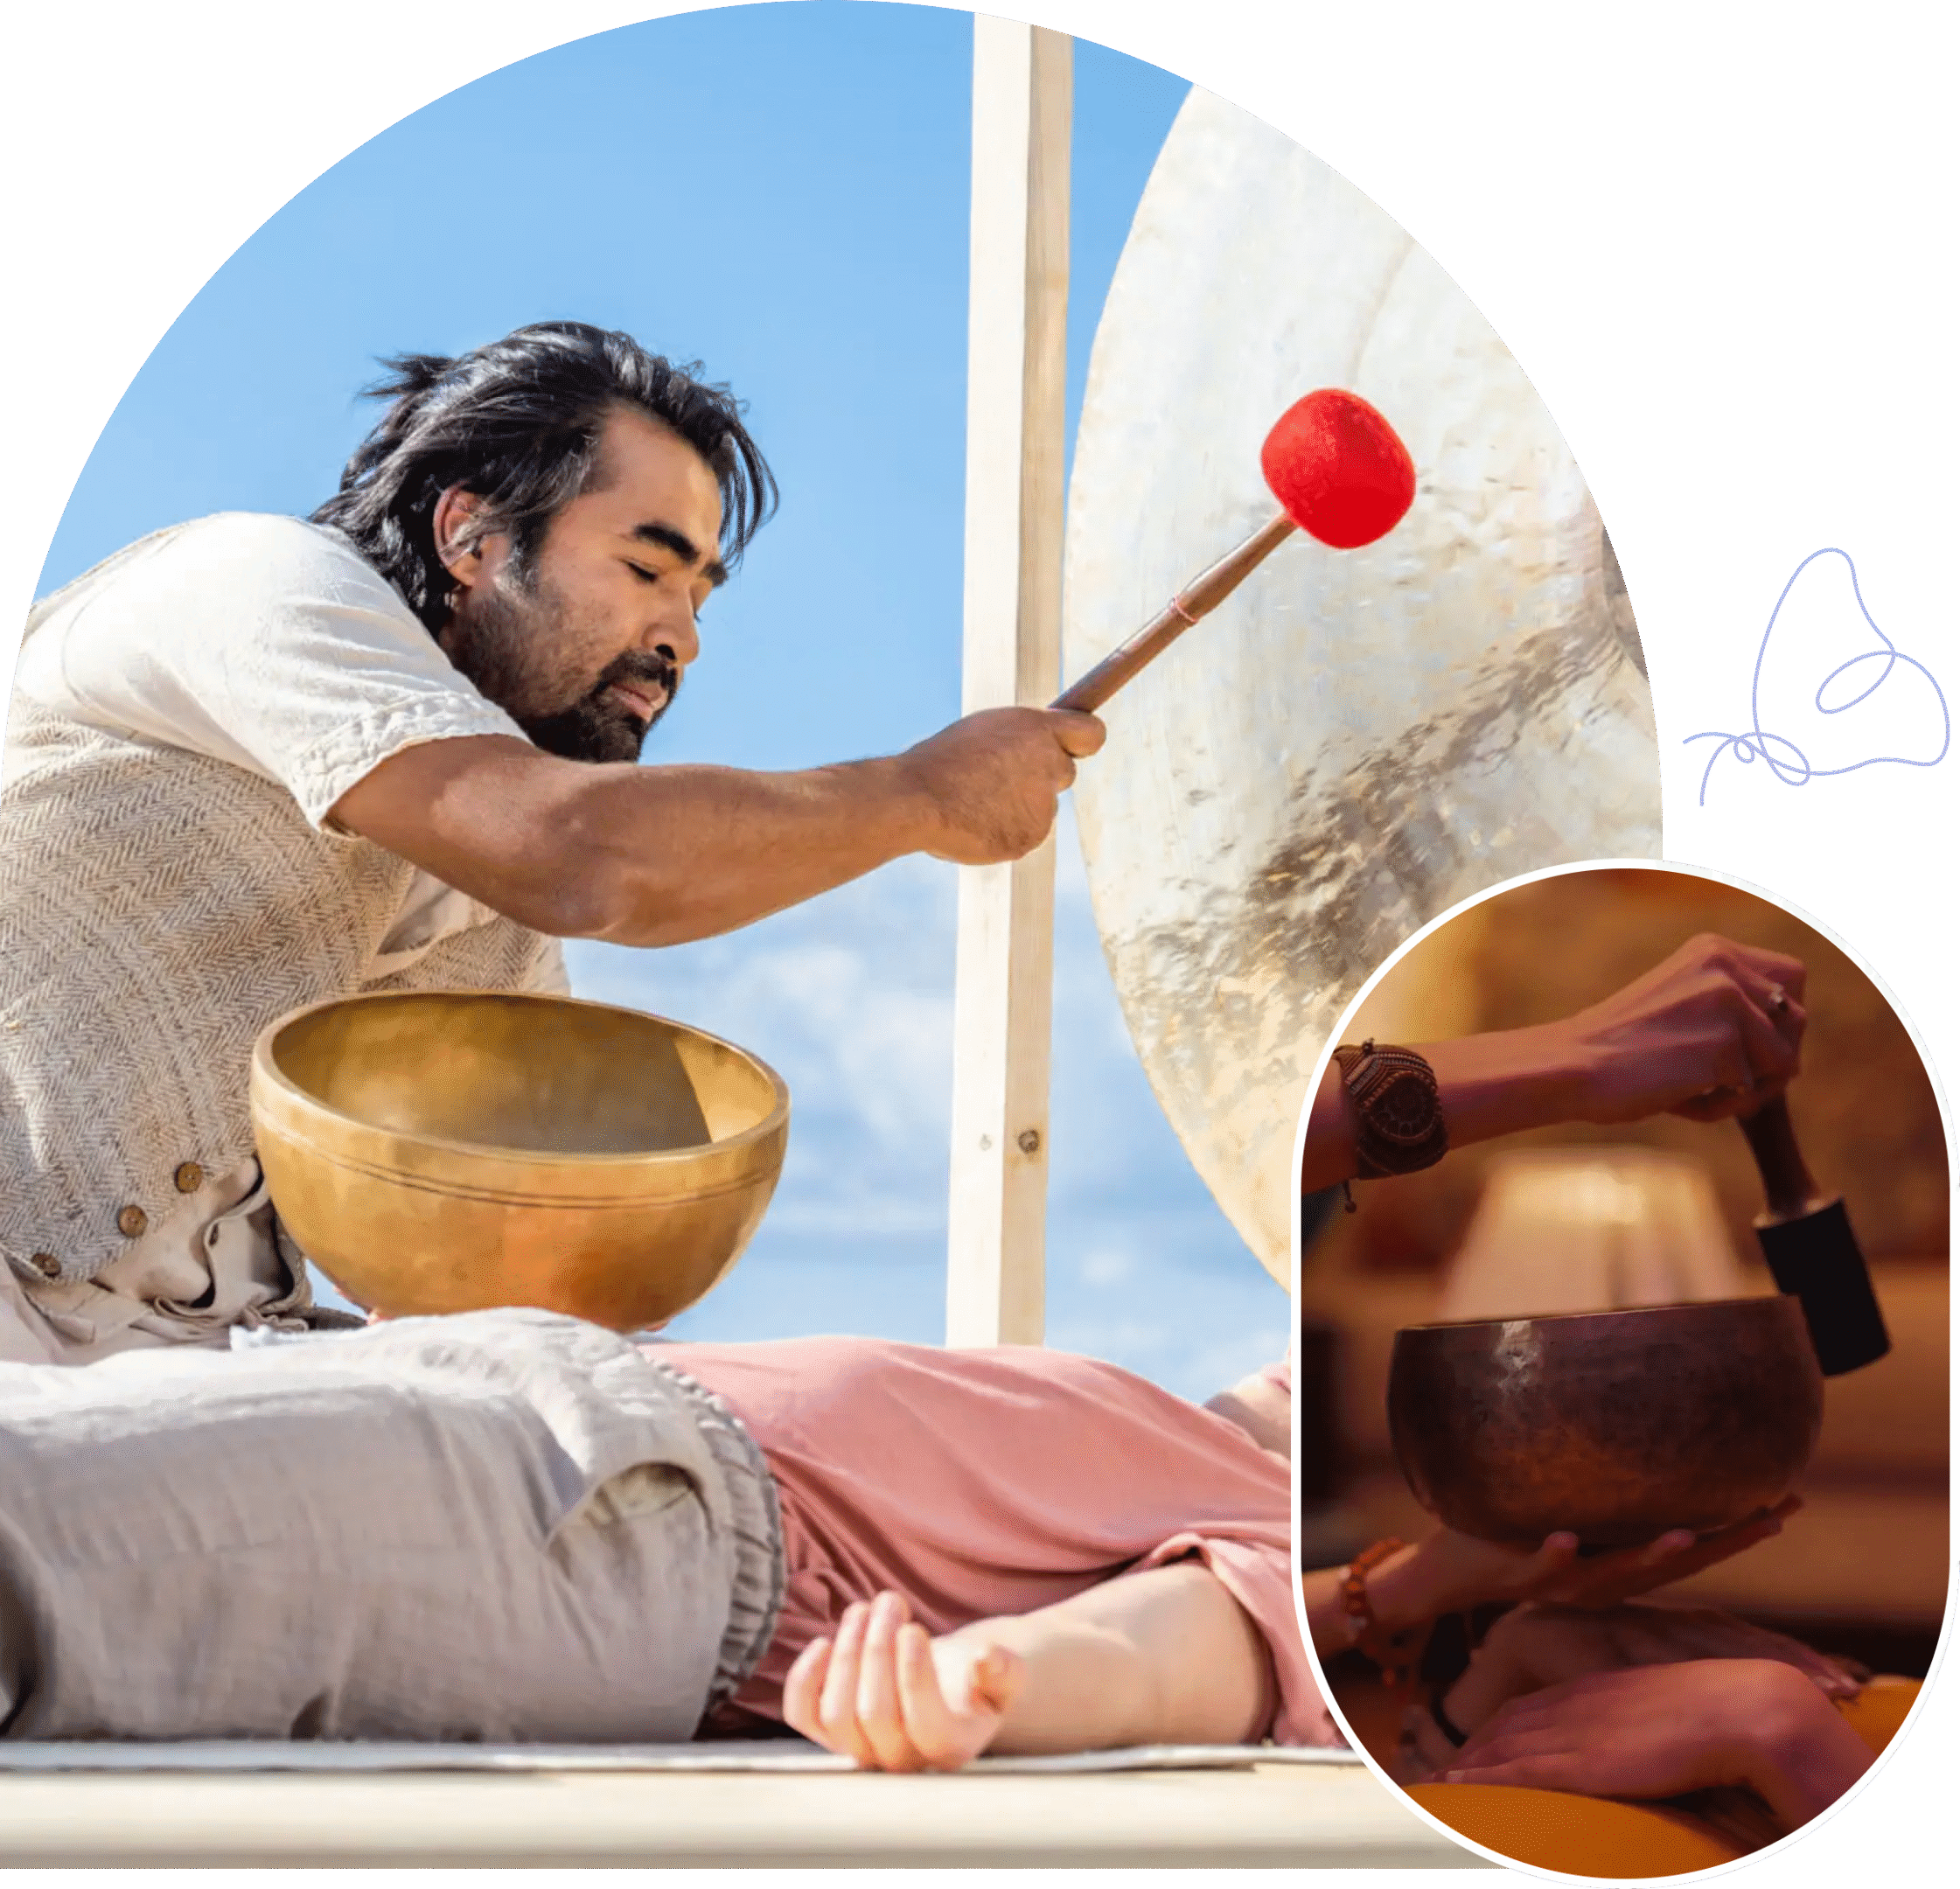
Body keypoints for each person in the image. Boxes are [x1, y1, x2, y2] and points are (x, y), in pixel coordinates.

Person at [0, 322, 1103, 1364]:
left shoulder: (486, 872)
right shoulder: (254, 581)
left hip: (180, 1381)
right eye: (646, 569)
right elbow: (588, 859)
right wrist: (919, 795)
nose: (682, 638)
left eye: (700, 596)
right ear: (469, 536)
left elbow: (500, 1245)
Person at [0, 1306, 1781, 1761]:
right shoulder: (1232, 1440)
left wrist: (972, 1687)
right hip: (541, 1423)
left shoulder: (1316, 1605)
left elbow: (1183, 1659)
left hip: (618, 1531)